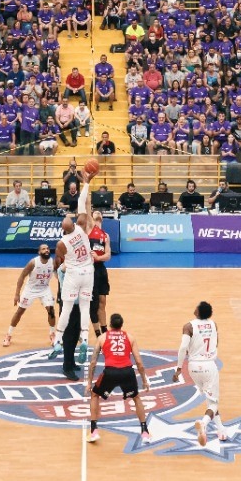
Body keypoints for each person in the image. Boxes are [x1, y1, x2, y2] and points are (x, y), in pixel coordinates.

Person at [87, 312, 151, 444]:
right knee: (136, 398)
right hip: (127, 372)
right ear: (122, 325)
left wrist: (89, 382)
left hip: (110, 372)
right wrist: (144, 380)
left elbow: (93, 362)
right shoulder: (130, 337)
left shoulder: (102, 337)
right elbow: (139, 362)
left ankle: (94, 431)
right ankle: (145, 432)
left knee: (94, 395)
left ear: (110, 325)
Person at [53, 167, 97, 360]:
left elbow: (58, 262)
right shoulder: (81, 228)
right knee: (85, 307)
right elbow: (81, 201)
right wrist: (86, 182)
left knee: (67, 307)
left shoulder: (61, 243)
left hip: (73, 274)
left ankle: (57, 341)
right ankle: (85, 338)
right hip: (88, 272)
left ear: (63, 229)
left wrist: (58, 273)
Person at [174, 301, 226, 446]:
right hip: (209, 366)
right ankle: (204, 423)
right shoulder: (214, 325)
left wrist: (178, 368)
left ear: (198, 311)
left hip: (193, 367)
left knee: (210, 400)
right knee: (213, 403)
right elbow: (216, 344)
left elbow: (183, 347)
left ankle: (221, 430)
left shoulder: (188, 326)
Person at [3, 243, 57, 347]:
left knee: (51, 311)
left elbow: (58, 275)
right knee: (19, 312)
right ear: (39, 252)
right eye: (43, 249)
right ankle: (8, 335)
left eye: (47, 248)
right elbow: (22, 276)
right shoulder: (33, 262)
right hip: (30, 290)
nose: (46, 250)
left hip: (44, 289)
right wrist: (17, 294)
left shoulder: (52, 262)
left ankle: (52, 334)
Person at [88, 209, 111, 339]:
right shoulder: (88, 230)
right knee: (94, 303)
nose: (98, 214)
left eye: (99, 213)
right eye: (95, 213)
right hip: (90, 270)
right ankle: (97, 334)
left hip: (101, 269)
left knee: (103, 301)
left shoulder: (105, 235)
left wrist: (98, 257)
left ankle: (104, 330)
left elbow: (108, 255)